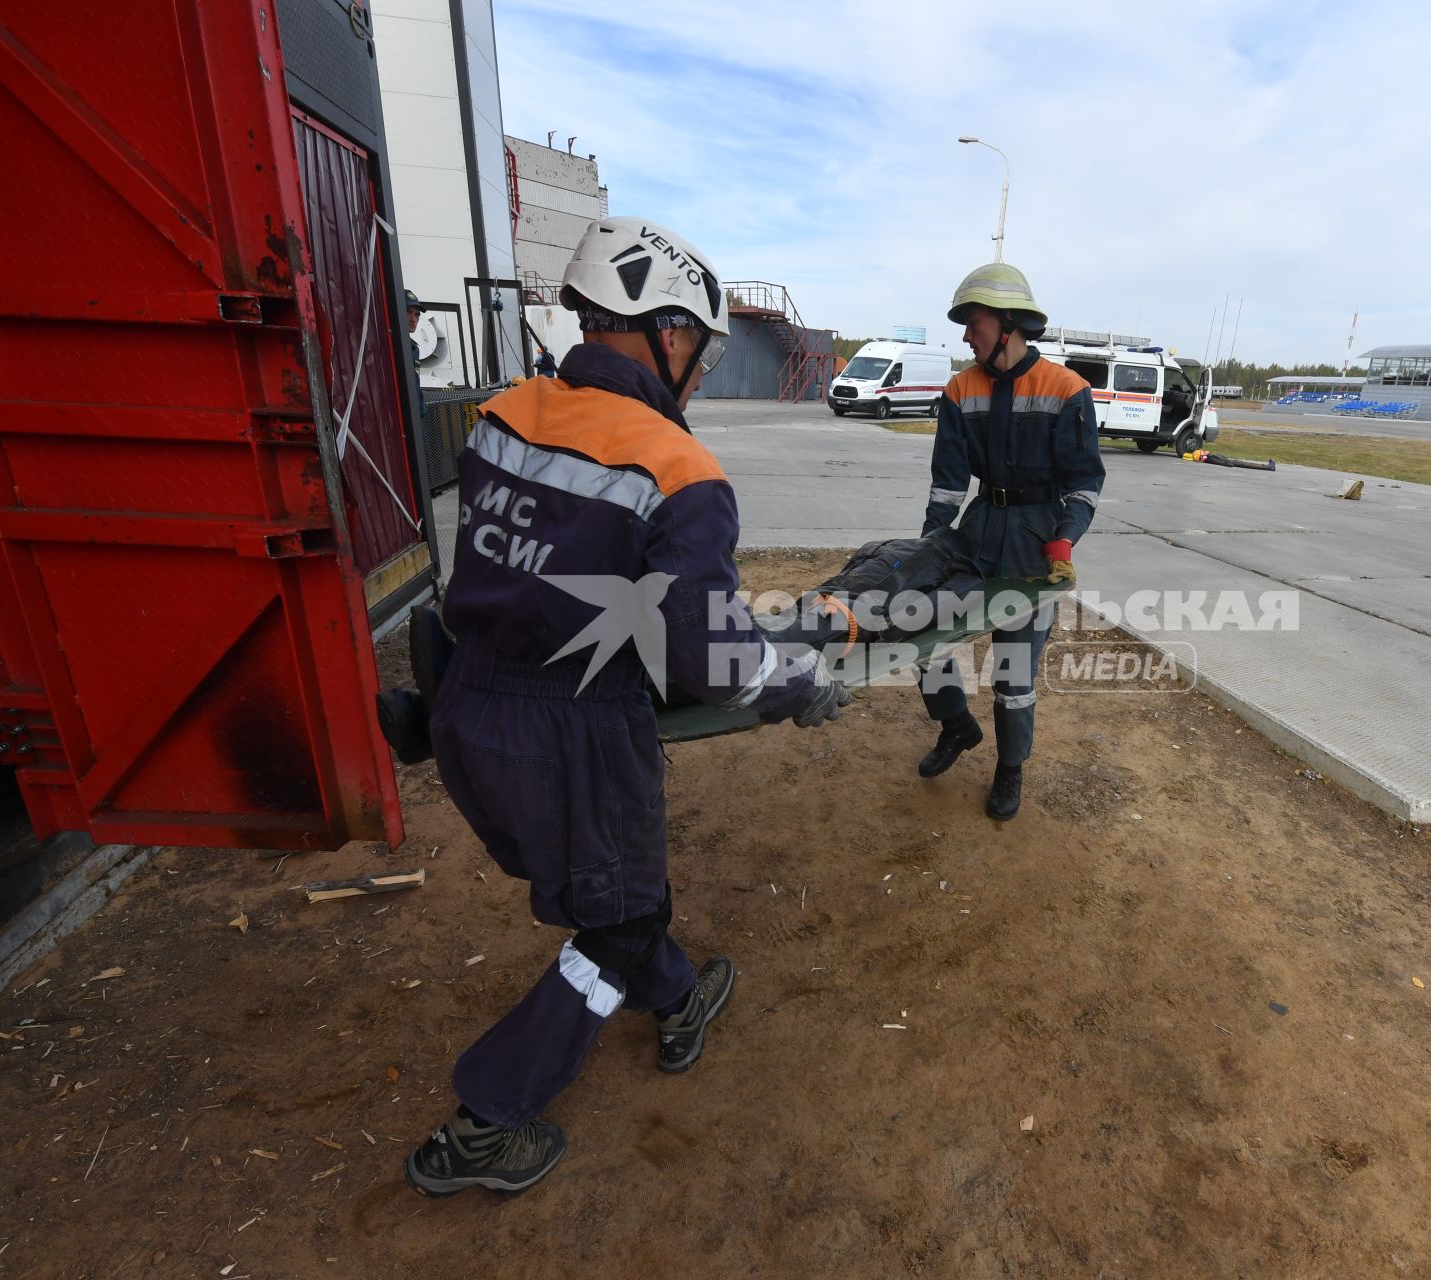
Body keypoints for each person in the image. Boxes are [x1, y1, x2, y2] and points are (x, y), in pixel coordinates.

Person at [404, 217, 849, 1198]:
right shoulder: (678, 470)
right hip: (575, 738)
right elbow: (710, 655)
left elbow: (541, 567)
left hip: (469, 708)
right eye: (701, 344)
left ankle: (682, 997)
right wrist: (799, 683)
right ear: (672, 335)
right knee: (608, 930)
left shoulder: (501, 413)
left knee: (628, 896)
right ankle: (485, 1119)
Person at [916, 262, 1105, 820]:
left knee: (1013, 672)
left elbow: (1084, 482)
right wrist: (930, 546)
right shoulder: (959, 388)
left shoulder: (1067, 390)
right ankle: (956, 725)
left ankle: (1010, 767)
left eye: (972, 323)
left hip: (1034, 542)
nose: (966, 335)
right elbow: (949, 481)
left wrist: (1065, 541)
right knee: (924, 627)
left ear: (1008, 323)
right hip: (976, 533)